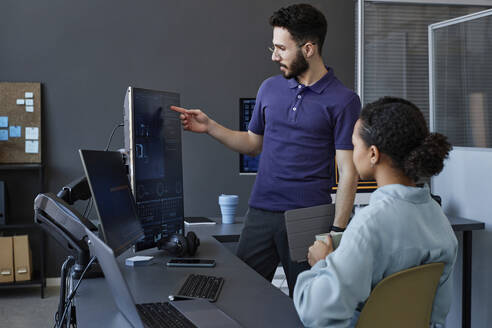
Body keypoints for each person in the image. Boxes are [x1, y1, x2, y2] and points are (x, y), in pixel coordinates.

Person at [171, 3, 360, 296]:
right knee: (240, 295)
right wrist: (210, 127)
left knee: (309, 304)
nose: (274, 56)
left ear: (308, 48)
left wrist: (336, 233)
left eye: (281, 49)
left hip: (309, 216)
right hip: (261, 210)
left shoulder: (344, 100)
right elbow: (252, 143)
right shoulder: (269, 88)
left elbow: (349, 171)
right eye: (273, 47)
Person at [293, 97, 458, 327]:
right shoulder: (438, 218)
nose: (351, 152)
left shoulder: (369, 224)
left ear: (373, 153)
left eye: (354, 144)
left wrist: (322, 264)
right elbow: (436, 313)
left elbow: (316, 313)